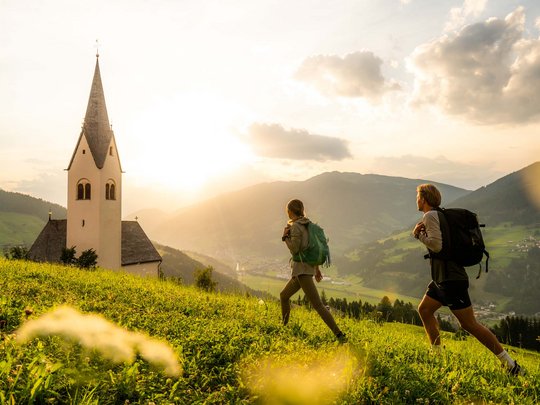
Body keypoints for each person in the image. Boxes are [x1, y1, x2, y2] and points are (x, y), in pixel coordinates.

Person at [412, 184, 524, 376]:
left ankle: (511, 365)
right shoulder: (439, 215)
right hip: (442, 278)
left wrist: (419, 235)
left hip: (450, 279)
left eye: (418, 196)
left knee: (469, 324)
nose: (416, 200)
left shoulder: (430, 216)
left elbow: (437, 246)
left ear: (424, 199)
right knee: (424, 310)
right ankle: (437, 356)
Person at [280, 199, 346, 342]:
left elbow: (295, 249)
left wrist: (285, 237)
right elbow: (311, 248)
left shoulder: (296, 226)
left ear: (290, 211)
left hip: (302, 271)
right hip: (302, 270)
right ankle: (283, 327)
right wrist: (316, 268)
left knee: (318, 305)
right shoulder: (307, 224)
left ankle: (339, 335)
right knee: (284, 296)